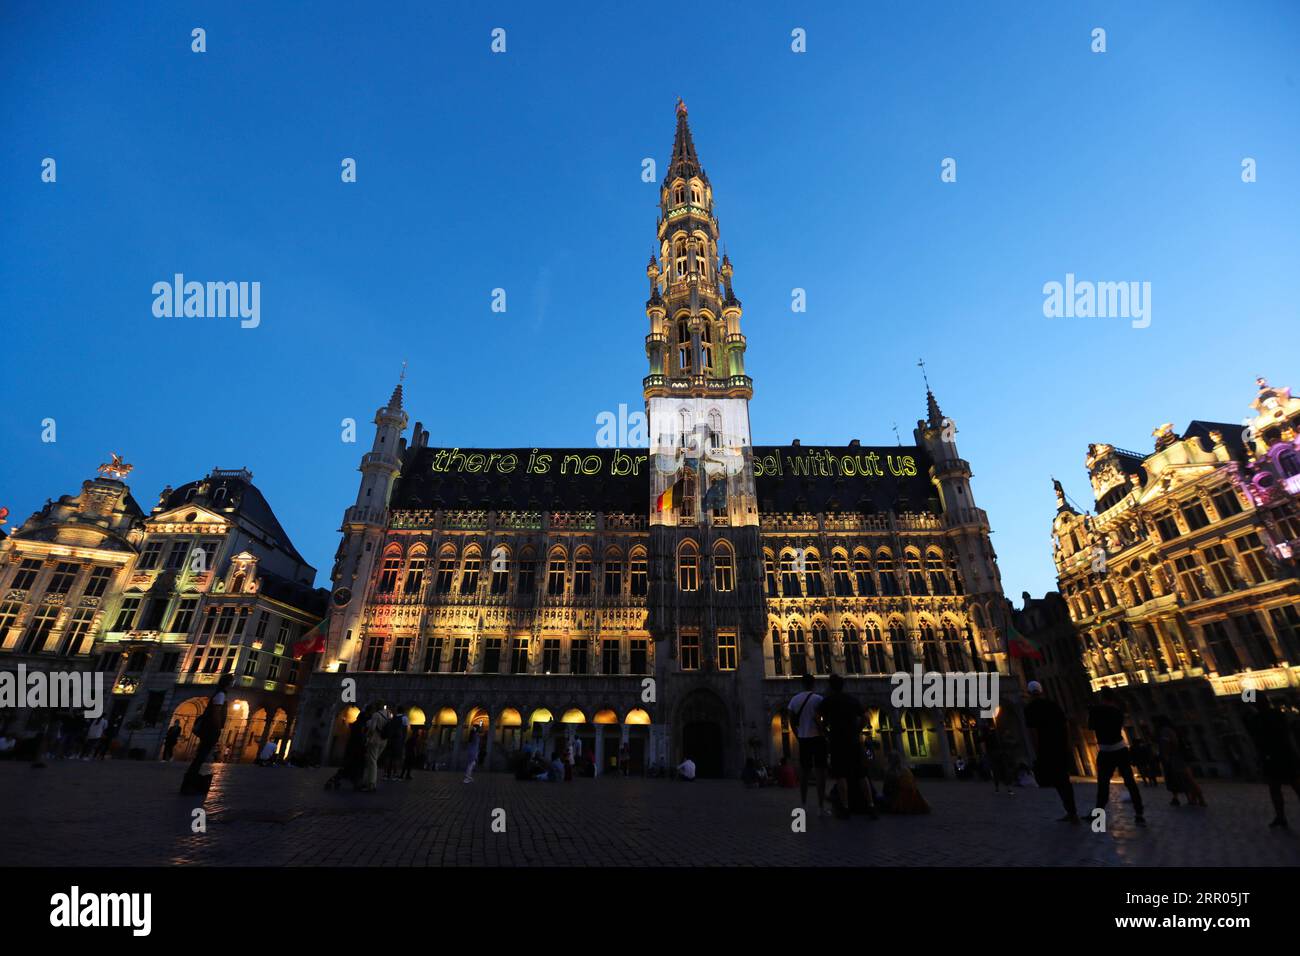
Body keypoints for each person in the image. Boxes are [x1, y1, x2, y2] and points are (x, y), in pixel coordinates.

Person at [817, 673, 877, 819]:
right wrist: (857, 730)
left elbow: (816, 716)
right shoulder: (852, 700)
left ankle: (845, 807)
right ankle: (871, 806)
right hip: (853, 741)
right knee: (861, 775)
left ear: (830, 686)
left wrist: (825, 731)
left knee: (841, 775)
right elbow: (865, 717)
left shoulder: (828, 701)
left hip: (837, 741)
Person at [1088, 689, 1146, 827]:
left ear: (1102, 698)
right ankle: (1139, 814)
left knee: (1103, 785)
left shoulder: (1097, 711)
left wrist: (1092, 712)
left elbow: (1091, 726)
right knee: (1130, 783)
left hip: (1106, 751)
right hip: (1120, 749)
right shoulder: (1117, 711)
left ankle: (1098, 820)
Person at [1024, 680, 1079, 823]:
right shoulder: (1053, 705)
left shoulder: (1030, 709)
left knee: (1058, 781)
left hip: (1046, 748)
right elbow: (1065, 723)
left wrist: (1037, 750)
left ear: (1029, 693)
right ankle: (1071, 810)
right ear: (1041, 691)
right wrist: (1067, 743)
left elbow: (1033, 732)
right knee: (1064, 779)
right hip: (1060, 746)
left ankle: (1070, 811)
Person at [1244, 696, 1300, 828]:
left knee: (1278, 787)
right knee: (1290, 784)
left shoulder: (1258, 719)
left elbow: (1257, 738)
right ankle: (1280, 817)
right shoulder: (1276, 714)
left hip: (1274, 755)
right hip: (1283, 754)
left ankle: (1280, 817)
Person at [181, 674, 232, 794]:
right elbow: (215, 712)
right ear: (228, 683)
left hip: (209, 729)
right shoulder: (221, 694)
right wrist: (217, 728)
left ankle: (190, 778)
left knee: (200, 756)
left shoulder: (219, 693)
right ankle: (190, 781)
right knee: (201, 755)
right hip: (210, 730)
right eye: (232, 681)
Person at [788, 674, 829, 816]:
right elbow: (823, 719)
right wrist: (823, 730)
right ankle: (820, 807)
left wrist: (798, 735)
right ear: (813, 684)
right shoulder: (818, 699)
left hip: (803, 738)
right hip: (817, 738)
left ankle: (803, 804)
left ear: (802, 684)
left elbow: (792, 721)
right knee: (820, 773)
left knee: (804, 773)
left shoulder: (795, 700)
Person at [1154, 715, 1204, 807]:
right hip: (1180, 756)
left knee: (1187, 779)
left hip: (1175, 757)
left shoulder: (1165, 731)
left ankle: (1200, 798)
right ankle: (1194, 798)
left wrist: (1166, 756)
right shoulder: (1174, 729)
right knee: (1187, 778)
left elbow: (1167, 745)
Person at [326, 706, 371, 790]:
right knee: (352, 768)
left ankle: (350, 781)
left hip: (353, 750)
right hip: (356, 750)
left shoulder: (356, 724)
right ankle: (355, 783)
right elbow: (360, 738)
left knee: (348, 768)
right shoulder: (359, 726)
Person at [360, 702, 390, 792]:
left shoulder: (376, 715)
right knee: (373, 761)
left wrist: (367, 736)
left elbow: (372, 729)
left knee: (372, 762)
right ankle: (367, 781)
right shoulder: (388, 714)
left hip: (375, 740)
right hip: (384, 741)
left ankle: (371, 784)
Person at [382, 709, 407, 781]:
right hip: (398, 741)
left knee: (388, 757)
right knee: (396, 758)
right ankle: (395, 774)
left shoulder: (392, 718)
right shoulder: (404, 718)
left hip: (389, 740)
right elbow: (404, 732)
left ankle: (385, 774)